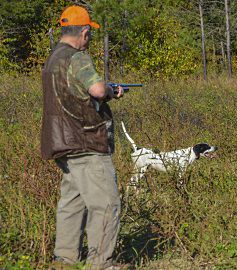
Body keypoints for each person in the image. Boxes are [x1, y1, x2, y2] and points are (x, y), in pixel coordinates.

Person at [41, 5, 127, 270]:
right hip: (87, 142)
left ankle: (64, 261)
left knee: (72, 203)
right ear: (85, 32)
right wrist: (112, 90)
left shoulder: (53, 58)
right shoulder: (77, 58)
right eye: (89, 35)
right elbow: (98, 90)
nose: (88, 41)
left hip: (63, 143)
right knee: (106, 204)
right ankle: (101, 263)